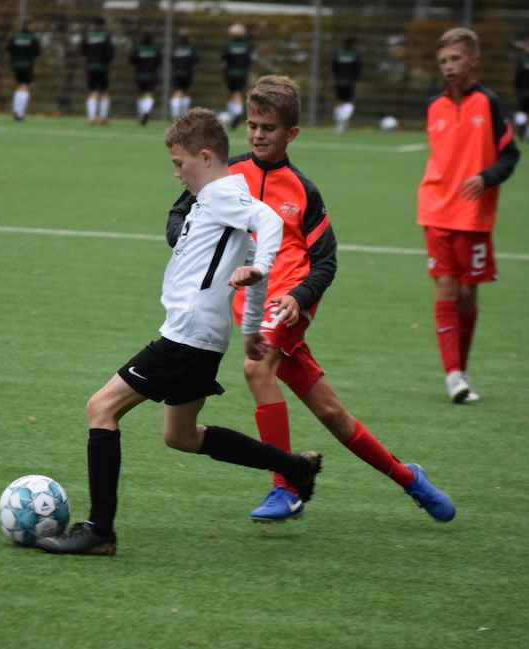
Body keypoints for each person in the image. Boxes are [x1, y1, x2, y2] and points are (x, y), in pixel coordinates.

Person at [33, 108, 322, 556]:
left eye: (179, 163)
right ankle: (292, 467)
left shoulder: (223, 194)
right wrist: (250, 329)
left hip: (186, 338)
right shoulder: (220, 198)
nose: (176, 173)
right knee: (181, 436)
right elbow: (250, 265)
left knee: (101, 408)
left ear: (204, 157)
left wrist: (262, 267)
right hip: (202, 338)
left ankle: (100, 531)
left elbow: (268, 224)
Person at [168, 76, 456, 524]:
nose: (258, 135)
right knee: (330, 411)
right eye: (253, 125)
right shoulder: (229, 174)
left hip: (287, 305)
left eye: (269, 128)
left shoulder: (304, 191)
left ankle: (286, 486)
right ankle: (409, 478)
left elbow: (325, 262)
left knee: (255, 368)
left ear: (291, 134)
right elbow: (180, 213)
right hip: (252, 310)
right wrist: (186, 241)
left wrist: (298, 297)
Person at [418, 27, 520, 403]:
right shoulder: (434, 106)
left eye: (456, 59)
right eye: (443, 60)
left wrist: (485, 177)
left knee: (466, 293)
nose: (448, 66)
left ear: (473, 61)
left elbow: (510, 155)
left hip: (474, 215)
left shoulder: (488, 103)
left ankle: (460, 369)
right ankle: (453, 375)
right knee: (445, 287)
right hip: (435, 209)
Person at [6, 17, 41, 121]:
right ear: (30, 25)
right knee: (24, 86)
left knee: (20, 85)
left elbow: (9, 48)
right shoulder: (32, 37)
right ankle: (19, 112)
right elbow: (37, 52)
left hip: (16, 64)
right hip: (27, 64)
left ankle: (17, 110)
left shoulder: (15, 36)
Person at [82, 17, 115, 125]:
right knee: (104, 91)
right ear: (104, 25)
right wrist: (106, 61)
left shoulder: (88, 36)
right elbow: (110, 51)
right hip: (102, 67)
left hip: (91, 66)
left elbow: (83, 50)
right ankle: (103, 117)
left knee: (93, 91)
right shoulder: (106, 36)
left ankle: (92, 117)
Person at [221, 23, 253, 129]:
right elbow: (249, 60)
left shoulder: (228, 45)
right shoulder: (247, 45)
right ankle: (237, 113)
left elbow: (224, 58)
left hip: (230, 73)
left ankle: (234, 115)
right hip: (242, 73)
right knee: (238, 93)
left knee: (231, 94)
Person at [129, 28, 161, 125]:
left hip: (140, 74)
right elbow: (159, 61)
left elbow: (132, 60)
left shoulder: (138, 48)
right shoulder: (155, 48)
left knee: (141, 94)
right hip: (151, 74)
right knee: (149, 93)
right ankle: (146, 111)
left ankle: (141, 115)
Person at [331, 37, 362, 133]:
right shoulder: (355, 54)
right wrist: (355, 78)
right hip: (349, 82)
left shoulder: (339, 53)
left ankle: (339, 123)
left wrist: (336, 76)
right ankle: (344, 117)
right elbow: (358, 68)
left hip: (339, 81)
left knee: (339, 101)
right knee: (349, 101)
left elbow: (334, 66)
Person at [169, 29, 197, 118]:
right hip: (187, 73)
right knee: (185, 92)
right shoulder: (191, 47)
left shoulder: (176, 47)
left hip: (177, 72)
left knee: (177, 92)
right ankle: (184, 115)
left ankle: (175, 113)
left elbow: (172, 59)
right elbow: (195, 59)